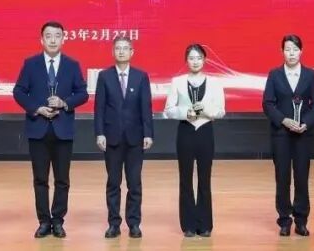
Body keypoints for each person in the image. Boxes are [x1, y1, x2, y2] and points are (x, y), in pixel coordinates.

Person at [12, 21, 89, 238]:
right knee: (40, 179)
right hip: (38, 129)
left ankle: (58, 221)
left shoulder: (72, 65)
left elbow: (82, 93)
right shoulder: (31, 64)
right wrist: (37, 108)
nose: (53, 40)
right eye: (48, 36)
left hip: (63, 129)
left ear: (63, 39)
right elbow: (19, 92)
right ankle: (44, 221)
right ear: (41, 39)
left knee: (62, 180)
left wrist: (64, 103)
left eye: (57, 36)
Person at [94, 35, 154, 239]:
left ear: (132, 52)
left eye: (125, 48)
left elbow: (146, 106)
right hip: (111, 138)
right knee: (113, 183)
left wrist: (148, 133)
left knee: (134, 183)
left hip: (135, 138)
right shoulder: (104, 76)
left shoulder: (141, 76)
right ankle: (114, 224)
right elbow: (99, 108)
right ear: (113, 51)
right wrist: (99, 133)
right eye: (117, 48)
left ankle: (134, 223)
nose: (121, 51)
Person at [262, 34, 314, 237]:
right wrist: (284, 120)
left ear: (301, 51)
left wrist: (306, 123)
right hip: (281, 134)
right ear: (282, 52)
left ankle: (301, 220)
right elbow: (268, 103)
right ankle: (284, 220)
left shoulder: (310, 75)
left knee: (302, 178)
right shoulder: (274, 74)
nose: (291, 53)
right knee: (282, 178)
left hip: (303, 134)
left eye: (295, 49)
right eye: (287, 49)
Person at [163, 43, 225, 238]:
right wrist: (186, 113)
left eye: (198, 58)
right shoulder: (177, 82)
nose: (195, 61)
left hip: (205, 131)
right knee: (185, 179)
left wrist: (206, 110)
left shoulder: (215, 83)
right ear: (186, 61)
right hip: (186, 131)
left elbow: (221, 111)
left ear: (204, 60)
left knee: (205, 179)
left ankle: (205, 224)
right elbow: (168, 110)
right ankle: (188, 225)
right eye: (191, 58)